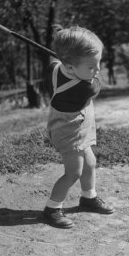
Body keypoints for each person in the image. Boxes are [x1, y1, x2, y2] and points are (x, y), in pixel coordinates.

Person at [43, 25, 114, 229]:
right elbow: (97, 85)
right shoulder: (85, 87)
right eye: (91, 67)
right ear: (71, 67)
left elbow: (55, 62)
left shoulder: (57, 68)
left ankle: (88, 197)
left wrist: (68, 51)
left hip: (79, 127)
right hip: (68, 131)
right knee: (74, 172)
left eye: (98, 63)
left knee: (90, 163)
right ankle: (52, 208)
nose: (97, 70)